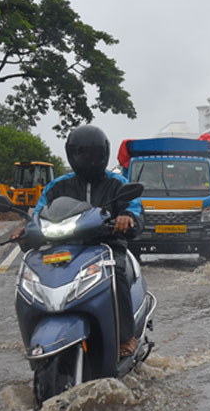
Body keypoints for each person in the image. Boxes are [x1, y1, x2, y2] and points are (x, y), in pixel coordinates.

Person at [20, 125, 143, 359]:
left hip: (105, 247)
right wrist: (25, 229)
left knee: (116, 272)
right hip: (62, 248)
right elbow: (38, 213)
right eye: (82, 153)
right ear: (72, 154)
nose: (88, 158)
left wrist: (127, 218)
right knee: (30, 273)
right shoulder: (57, 186)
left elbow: (134, 210)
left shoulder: (116, 183)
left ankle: (125, 335)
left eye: (94, 153)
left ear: (103, 154)